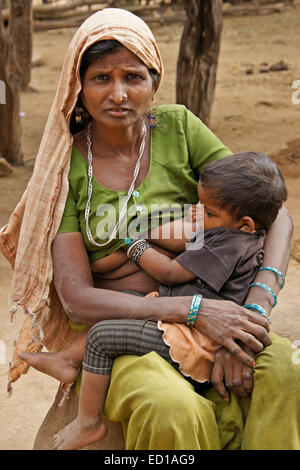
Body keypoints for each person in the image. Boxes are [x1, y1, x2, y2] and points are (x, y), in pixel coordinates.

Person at [0, 8, 298, 451]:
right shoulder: (66, 168)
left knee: (285, 374)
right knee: (168, 407)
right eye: (101, 78)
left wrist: (252, 311)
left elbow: (273, 215)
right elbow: (79, 300)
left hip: (226, 307)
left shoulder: (179, 128)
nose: (119, 94)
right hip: (133, 328)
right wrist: (195, 313)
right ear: (77, 88)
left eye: (133, 77)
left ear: (154, 82)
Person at [19, 151, 287, 450]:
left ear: (246, 223)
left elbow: (171, 273)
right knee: (128, 301)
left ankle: (88, 423)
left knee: (101, 337)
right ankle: (66, 359)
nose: (198, 213)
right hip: (183, 320)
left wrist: (134, 246)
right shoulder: (232, 232)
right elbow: (184, 237)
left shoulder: (227, 243)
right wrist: (132, 242)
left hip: (194, 337)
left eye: (208, 211)